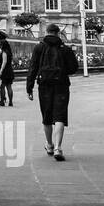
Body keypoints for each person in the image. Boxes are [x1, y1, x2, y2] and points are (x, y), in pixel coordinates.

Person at [25, 23, 79, 161]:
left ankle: (49, 145)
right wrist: (62, 70)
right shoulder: (64, 49)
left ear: (46, 32)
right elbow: (74, 67)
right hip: (61, 85)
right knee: (60, 116)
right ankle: (58, 148)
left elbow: (33, 68)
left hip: (44, 85)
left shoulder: (39, 47)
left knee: (47, 116)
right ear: (58, 33)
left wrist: (29, 87)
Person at [0, 32, 15, 107]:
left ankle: (2, 101)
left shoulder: (4, 52)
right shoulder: (9, 52)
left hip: (5, 71)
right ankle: (10, 102)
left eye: (0, 45)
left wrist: (0, 71)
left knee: (2, 86)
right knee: (9, 86)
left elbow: (4, 62)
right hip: (10, 70)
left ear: (3, 45)